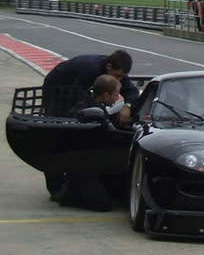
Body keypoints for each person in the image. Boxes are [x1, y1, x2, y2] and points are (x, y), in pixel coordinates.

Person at [41, 50, 140, 199]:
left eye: (122, 77)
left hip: (77, 90)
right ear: (108, 67)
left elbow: (132, 91)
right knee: (58, 134)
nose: (120, 79)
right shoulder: (89, 70)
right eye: (118, 76)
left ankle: (78, 175)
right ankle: (57, 188)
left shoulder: (116, 73)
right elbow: (79, 99)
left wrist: (128, 106)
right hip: (58, 87)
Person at [56, 75, 130, 211]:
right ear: (106, 95)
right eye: (115, 95)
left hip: (98, 162)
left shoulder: (95, 104)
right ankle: (70, 192)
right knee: (103, 204)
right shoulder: (89, 112)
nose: (117, 98)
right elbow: (109, 136)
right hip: (83, 166)